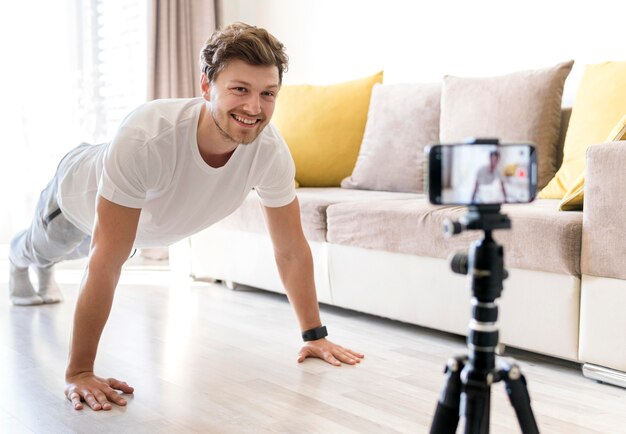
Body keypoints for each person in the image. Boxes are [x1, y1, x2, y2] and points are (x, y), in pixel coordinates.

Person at [8, 22, 364, 412]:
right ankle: (18, 260)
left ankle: (45, 267)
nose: (254, 108)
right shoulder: (148, 136)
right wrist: (79, 372)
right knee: (44, 247)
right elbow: (107, 261)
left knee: (74, 254)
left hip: (136, 224)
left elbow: (291, 250)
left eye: (268, 94)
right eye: (239, 89)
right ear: (206, 86)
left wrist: (314, 334)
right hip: (75, 195)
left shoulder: (270, 152)